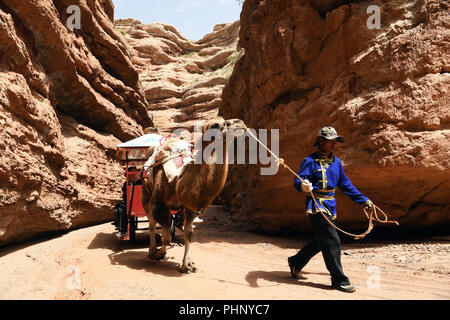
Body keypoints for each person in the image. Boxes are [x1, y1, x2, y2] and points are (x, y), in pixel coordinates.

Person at [288, 126, 373, 293]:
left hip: (330, 206)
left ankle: (296, 262)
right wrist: (303, 186)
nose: (334, 145)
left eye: (336, 141)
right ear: (320, 141)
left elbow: (346, 185)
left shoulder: (337, 163)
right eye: (330, 141)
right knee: (332, 240)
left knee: (322, 240)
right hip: (316, 205)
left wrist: (363, 200)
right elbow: (298, 181)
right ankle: (339, 279)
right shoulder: (309, 161)